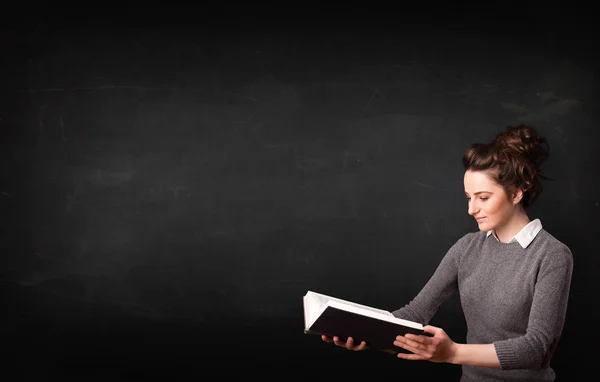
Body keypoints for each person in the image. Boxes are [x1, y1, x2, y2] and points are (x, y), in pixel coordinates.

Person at [321, 124, 574, 381]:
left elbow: (537, 349)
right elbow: (415, 313)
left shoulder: (551, 254)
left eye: (483, 197)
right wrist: (363, 331)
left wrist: (453, 353)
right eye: (468, 197)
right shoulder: (467, 248)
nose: (471, 209)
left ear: (517, 192)